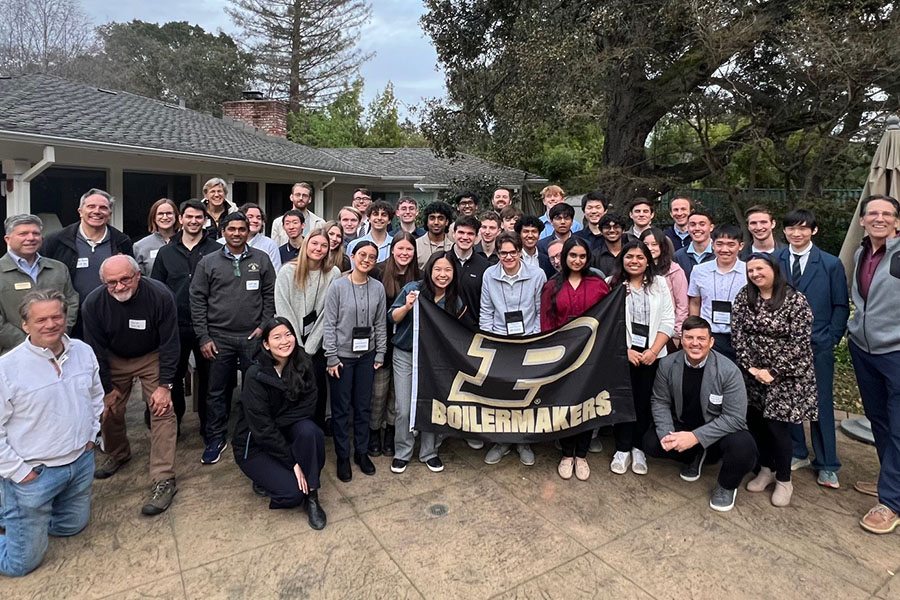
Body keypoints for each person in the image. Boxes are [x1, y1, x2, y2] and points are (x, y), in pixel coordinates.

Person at [0, 290, 103, 577]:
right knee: (20, 565)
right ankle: (15, 512)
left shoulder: (83, 351)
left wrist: (92, 436)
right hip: (35, 473)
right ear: (25, 325)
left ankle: (18, 517)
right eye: (41, 319)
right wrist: (20, 473)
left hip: (80, 463)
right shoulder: (6, 369)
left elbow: (96, 396)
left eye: (56, 316)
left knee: (72, 527)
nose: (50, 324)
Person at [81, 256, 180, 516]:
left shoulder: (160, 295)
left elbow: (170, 341)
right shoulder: (93, 303)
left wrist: (165, 385)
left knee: (162, 410)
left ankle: (163, 477)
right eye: (111, 282)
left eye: (125, 279)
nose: (119, 286)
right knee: (109, 409)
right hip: (113, 358)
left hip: (151, 354)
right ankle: (118, 452)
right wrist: (105, 388)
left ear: (138, 276)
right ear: (103, 282)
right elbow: (94, 349)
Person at [646, 316, 758, 512]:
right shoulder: (667, 364)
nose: (695, 343)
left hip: (718, 430)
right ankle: (694, 456)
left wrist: (696, 437)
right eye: (689, 338)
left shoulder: (729, 371)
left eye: (701, 338)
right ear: (681, 340)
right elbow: (660, 400)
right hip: (685, 423)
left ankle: (726, 485)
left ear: (711, 342)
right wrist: (666, 432)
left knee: (744, 448)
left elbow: (735, 419)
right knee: (652, 442)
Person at [732, 253, 817, 508]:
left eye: (760, 268)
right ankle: (766, 469)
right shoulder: (745, 297)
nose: (755, 274)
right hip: (754, 374)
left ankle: (784, 479)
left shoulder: (794, 300)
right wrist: (751, 367)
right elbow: (737, 332)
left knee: (777, 428)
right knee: (757, 423)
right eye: (750, 270)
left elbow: (800, 342)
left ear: (773, 269)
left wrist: (774, 371)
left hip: (786, 376)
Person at [190, 212, 276, 465]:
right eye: (232, 229)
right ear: (223, 231)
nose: (237, 233)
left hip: (253, 337)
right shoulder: (208, 262)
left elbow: (270, 294)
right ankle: (215, 437)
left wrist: (264, 326)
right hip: (219, 338)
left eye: (242, 229)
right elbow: (197, 300)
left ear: (249, 231)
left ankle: (252, 434)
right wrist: (204, 337)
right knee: (216, 391)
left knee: (255, 389)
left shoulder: (260, 259)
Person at [775, 209, 849, 488]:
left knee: (821, 404)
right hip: (782, 345)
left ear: (813, 231)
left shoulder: (830, 264)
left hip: (818, 344)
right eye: (792, 228)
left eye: (803, 228)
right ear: (784, 232)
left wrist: (830, 338)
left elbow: (840, 305)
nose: (797, 233)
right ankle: (797, 451)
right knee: (788, 401)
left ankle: (828, 462)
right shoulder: (776, 260)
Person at [232, 317, 327, 530]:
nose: (284, 341)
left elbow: (308, 407)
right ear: (266, 344)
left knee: (311, 432)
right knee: (292, 494)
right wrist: (293, 463)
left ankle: (312, 494)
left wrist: (277, 421)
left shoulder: (304, 363)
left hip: (285, 433)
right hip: (255, 444)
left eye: (288, 335)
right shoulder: (255, 374)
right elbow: (263, 429)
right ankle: (266, 477)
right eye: (276, 337)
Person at [846, 194, 900, 534]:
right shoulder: (861, 252)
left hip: (895, 352)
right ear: (863, 220)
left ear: (897, 221)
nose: (879, 218)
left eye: (887, 214)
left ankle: (891, 502)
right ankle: (890, 480)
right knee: (879, 419)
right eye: (872, 213)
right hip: (864, 350)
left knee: (897, 426)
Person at [389, 251, 467, 473]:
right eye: (438, 269)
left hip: (435, 359)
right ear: (429, 270)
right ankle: (402, 452)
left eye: (448, 270)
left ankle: (429, 452)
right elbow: (391, 317)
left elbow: (457, 333)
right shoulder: (413, 289)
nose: (442, 275)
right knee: (403, 407)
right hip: (405, 355)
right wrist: (406, 307)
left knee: (432, 405)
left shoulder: (455, 300)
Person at [540, 237, 610, 480]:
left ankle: (581, 455)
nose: (577, 260)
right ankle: (567, 453)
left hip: (591, 354)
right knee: (566, 402)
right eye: (573, 256)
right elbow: (546, 323)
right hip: (562, 354)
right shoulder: (551, 286)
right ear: (564, 258)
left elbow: (608, 319)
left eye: (582, 256)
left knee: (587, 404)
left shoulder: (598, 284)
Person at [151, 199, 222, 436]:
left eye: (198, 217)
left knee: (209, 380)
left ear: (205, 220)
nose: (193, 221)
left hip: (208, 326)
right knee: (174, 377)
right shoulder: (166, 253)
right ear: (181, 219)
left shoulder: (215, 250)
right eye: (189, 217)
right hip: (175, 326)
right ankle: (175, 422)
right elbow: (157, 290)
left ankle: (207, 426)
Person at [607, 240, 674, 476]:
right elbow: (608, 324)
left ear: (648, 261)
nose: (634, 261)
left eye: (639, 257)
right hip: (622, 353)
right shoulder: (612, 284)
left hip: (651, 353)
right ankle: (622, 448)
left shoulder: (660, 284)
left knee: (645, 401)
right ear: (622, 260)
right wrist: (624, 351)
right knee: (623, 401)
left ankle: (638, 448)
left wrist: (654, 351)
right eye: (629, 257)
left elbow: (668, 320)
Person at [480, 231, 547, 466]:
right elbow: (486, 311)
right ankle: (502, 441)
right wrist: (490, 340)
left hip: (528, 340)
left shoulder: (537, 275)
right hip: (500, 342)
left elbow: (541, 310)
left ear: (520, 252)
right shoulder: (489, 274)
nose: (508, 257)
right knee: (501, 393)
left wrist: (535, 340)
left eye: (512, 252)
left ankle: (523, 441)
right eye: (503, 253)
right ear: (497, 254)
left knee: (526, 395)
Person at [322, 241, 387, 482]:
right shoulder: (337, 286)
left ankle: (361, 452)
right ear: (352, 256)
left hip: (366, 357)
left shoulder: (378, 288)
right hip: (341, 358)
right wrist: (331, 356)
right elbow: (329, 323)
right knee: (340, 410)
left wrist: (380, 353)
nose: (367, 260)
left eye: (372, 256)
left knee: (363, 407)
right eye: (362, 255)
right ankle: (342, 455)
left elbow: (380, 323)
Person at [42, 188, 134, 337]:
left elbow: (131, 278)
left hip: (111, 315)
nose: (97, 211)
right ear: (80, 211)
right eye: (91, 206)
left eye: (103, 208)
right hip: (69, 319)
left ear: (110, 214)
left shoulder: (122, 241)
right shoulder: (56, 241)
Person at [275, 228, 342, 431]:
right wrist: (296, 346)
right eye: (314, 244)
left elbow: (327, 314)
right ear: (306, 245)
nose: (318, 249)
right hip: (290, 342)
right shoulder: (287, 271)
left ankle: (315, 432)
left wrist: (310, 348)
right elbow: (283, 308)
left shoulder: (333, 274)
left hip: (318, 342)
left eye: (324, 245)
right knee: (292, 388)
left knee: (317, 387)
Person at [369, 233, 421, 456]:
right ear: (392, 249)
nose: (404, 253)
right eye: (400, 248)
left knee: (397, 396)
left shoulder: (419, 276)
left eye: (409, 249)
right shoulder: (378, 271)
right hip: (379, 339)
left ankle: (391, 431)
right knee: (379, 391)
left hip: (405, 341)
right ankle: (374, 431)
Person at [0, 214, 78, 354]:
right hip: (15, 353)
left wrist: (57, 332)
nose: (31, 238)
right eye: (23, 233)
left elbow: (72, 302)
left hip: (58, 351)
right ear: (8, 239)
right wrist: (31, 342)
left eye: (35, 233)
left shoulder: (59, 269)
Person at [687, 225, 745, 362]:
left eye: (731, 245)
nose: (724, 250)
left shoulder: (748, 271)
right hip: (708, 335)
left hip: (740, 335)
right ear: (713, 245)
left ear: (740, 246)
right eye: (719, 244)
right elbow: (695, 302)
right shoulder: (699, 271)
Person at [640, 228, 688, 349]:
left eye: (654, 244)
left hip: (667, 331)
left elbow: (682, 305)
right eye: (646, 244)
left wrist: (677, 333)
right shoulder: (636, 269)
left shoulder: (675, 270)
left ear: (662, 246)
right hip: (642, 329)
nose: (650, 248)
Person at [448, 216, 490, 332]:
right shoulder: (441, 261)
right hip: (443, 330)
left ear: (477, 237)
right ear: (454, 234)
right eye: (461, 232)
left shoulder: (485, 266)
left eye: (470, 234)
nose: (465, 237)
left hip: (472, 332)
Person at [226, 203, 281, 272]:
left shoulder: (270, 245)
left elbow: (275, 274)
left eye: (259, 218)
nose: (255, 221)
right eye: (250, 217)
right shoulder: (222, 243)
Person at [134, 198, 179, 276]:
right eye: (160, 214)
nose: (165, 217)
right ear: (154, 217)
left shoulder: (186, 241)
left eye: (169, 213)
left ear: (176, 216)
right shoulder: (140, 246)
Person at [673, 210, 716, 280]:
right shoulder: (678, 256)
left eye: (702, 224)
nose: (697, 228)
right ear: (688, 227)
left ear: (711, 227)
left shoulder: (719, 254)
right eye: (693, 225)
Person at [416, 201, 454, 268]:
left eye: (441, 218)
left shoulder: (453, 247)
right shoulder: (416, 245)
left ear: (447, 222)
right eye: (432, 218)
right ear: (427, 221)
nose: (436, 222)